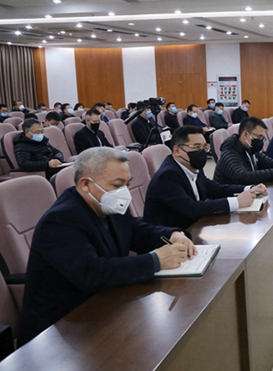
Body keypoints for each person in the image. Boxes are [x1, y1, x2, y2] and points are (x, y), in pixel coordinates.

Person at [17, 147, 195, 346]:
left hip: (104, 305)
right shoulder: (60, 220)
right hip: (61, 328)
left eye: (127, 184)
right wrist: (155, 260)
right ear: (86, 184)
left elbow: (137, 231)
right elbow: (91, 272)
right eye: (117, 185)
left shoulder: (105, 204)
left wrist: (172, 234)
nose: (124, 192)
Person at [144, 126, 266, 229]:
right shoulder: (167, 176)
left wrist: (248, 189)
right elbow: (191, 208)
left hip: (194, 227)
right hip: (170, 238)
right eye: (196, 147)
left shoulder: (192, 165)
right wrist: (237, 202)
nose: (201, 152)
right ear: (177, 151)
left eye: (204, 148)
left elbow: (213, 188)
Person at [214, 117, 273, 185]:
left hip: (247, 193)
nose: (260, 141)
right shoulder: (229, 153)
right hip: (230, 198)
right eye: (259, 137)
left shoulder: (251, 150)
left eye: (262, 138)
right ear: (245, 134)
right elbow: (242, 176)